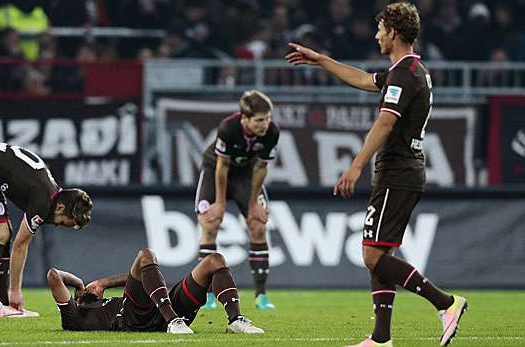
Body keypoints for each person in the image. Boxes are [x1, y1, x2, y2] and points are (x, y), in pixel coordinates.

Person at [286, 3, 467, 347]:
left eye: (381, 29)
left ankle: (446, 303)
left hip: (398, 171)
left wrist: (355, 166)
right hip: (403, 170)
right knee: (379, 253)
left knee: (372, 255)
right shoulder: (411, 70)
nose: (376, 35)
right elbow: (364, 80)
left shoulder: (404, 74)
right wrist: (322, 60)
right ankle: (381, 338)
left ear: (394, 33)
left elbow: (385, 122)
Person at [0, 143, 93, 318]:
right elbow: (20, 245)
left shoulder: (49, 192)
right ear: (60, 208)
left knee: (5, 234)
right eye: (64, 222)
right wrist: (15, 290)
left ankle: (3, 305)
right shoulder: (44, 200)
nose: (57, 225)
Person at [46, 248, 264, 334]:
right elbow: (54, 275)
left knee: (214, 260)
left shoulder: (108, 299)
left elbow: (143, 275)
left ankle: (235, 320)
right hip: (135, 319)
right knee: (145, 255)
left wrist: (104, 283)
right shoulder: (72, 319)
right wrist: (79, 284)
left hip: (161, 305)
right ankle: (173, 322)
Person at [195, 90, 280, 310]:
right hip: (215, 170)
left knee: (258, 226)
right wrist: (220, 204)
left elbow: (262, 167)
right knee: (210, 223)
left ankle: (261, 296)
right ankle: (208, 295)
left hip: (246, 175)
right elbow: (222, 166)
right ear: (245, 118)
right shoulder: (228, 128)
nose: (265, 124)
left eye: (268, 118)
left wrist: (253, 204)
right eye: (260, 120)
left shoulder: (271, 132)